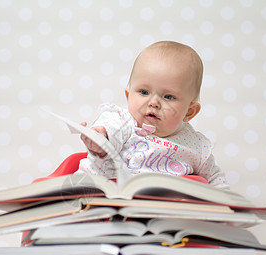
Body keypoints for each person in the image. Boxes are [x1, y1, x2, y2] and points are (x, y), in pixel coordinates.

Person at [78, 41, 229, 189]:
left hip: (159, 208)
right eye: (144, 92)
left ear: (189, 112)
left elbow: (215, 180)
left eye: (168, 97)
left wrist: (227, 205)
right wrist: (100, 140)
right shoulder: (120, 121)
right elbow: (111, 134)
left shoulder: (196, 146)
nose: (154, 103)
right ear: (128, 96)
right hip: (99, 194)